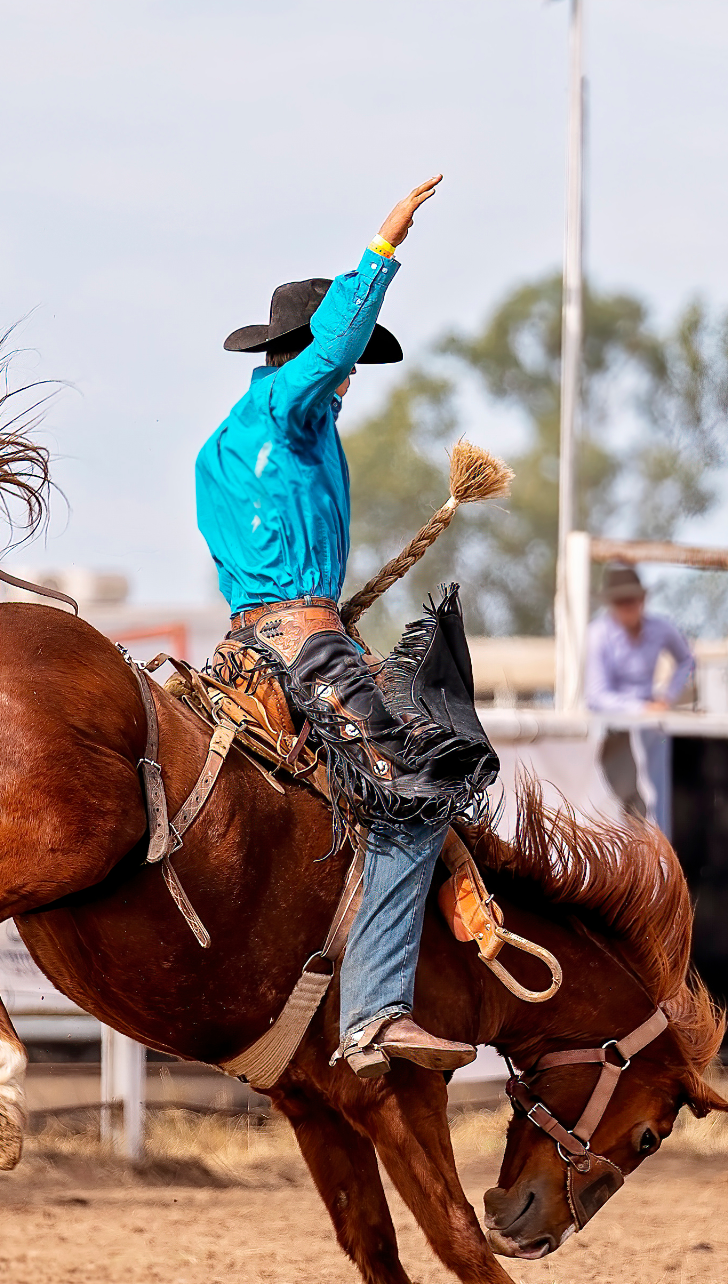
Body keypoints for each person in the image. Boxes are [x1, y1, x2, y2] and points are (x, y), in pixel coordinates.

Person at [195, 176, 495, 1079]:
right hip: (303, 642)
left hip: (256, 638)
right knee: (409, 797)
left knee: (397, 770)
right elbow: (330, 353)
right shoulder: (288, 408)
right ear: (303, 355)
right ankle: (371, 1012)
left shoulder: (228, 441)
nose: (350, 381)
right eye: (346, 365)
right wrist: (383, 250)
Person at [584, 565, 695, 831]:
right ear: (611, 604)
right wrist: (642, 708)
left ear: (642, 600)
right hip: (614, 729)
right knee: (623, 801)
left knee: (658, 795)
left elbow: (687, 661)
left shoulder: (661, 628)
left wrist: (667, 697)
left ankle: (655, 856)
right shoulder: (598, 635)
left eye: (631, 599)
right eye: (621, 601)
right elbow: (596, 695)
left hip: (651, 727)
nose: (627, 606)